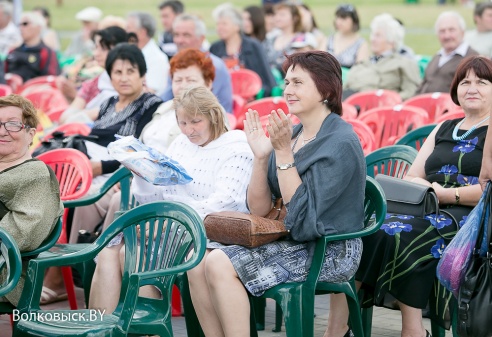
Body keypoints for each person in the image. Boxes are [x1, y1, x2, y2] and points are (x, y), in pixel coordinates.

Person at [189, 50, 365, 337]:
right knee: (198, 261)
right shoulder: (294, 134)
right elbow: (259, 210)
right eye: (286, 82)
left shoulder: (340, 142)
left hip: (330, 249)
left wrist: (282, 153)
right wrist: (261, 157)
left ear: (325, 89)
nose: (288, 90)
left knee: (220, 263)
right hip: (291, 238)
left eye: (297, 82)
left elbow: (305, 218)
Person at [332, 55, 492, 337]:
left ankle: (413, 329)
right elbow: (413, 175)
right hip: (430, 206)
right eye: (465, 82)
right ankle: (339, 328)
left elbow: (489, 188)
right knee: (364, 231)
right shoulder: (444, 129)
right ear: (455, 89)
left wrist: (446, 195)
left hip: (472, 217)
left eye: (482, 82)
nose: (472, 88)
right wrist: (429, 191)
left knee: (403, 232)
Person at [89, 85, 254, 313]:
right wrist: (143, 174)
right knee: (109, 251)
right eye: (182, 123)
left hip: (206, 232)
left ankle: (148, 326)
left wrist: (165, 225)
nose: (188, 130)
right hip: (172, 226)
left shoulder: (236, 147)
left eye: (195, 122)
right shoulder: (180, 143)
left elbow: (226, 203)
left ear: (214, 116)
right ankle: (100, 328)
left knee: (133, 255)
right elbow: (160, 194)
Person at [40, 43, 163, 305]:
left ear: (142, 74)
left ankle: (71, 277)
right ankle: (60, 273)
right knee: (65, 198)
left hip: (122, 175)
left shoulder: (151, 104)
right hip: (91, 172)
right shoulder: (108, 103)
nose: (124, 77)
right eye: (117, 72)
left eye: (130, 71)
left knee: (88, 198)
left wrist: (101, 167)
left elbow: (141, 149)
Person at [0, 94, 63, 306]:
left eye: (13, 125)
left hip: (7, 275)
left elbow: (27, 233)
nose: (2, 131)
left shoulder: (35, 175)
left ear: (30, 134)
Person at [160, 14, 233, 113]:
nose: (179, 40)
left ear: (201, 39)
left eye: (186, 35)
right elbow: (166, 97)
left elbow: (203, 107)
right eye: (176, 35)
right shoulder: (177, 62)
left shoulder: (214, 65)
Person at [58, 26, 131, 124]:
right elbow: (65, 117)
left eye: (104, 49)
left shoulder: (132, 83)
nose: (96, 53)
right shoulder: (94, 83)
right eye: (96, 47)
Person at [343, 13, 421, 100]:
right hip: (350, 102)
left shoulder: (404, 63)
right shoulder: (363, 64)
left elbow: (411, 92)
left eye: (378, 36)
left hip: (379, 106)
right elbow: (344, 88)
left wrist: (388, 100)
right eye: (372, 35)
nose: (372, 39)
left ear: (391, 42)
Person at [210, 3, 276, 96]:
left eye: (224, 24)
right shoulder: (215, 48)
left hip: (251, 96)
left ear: (237, 26)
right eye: (218, 24)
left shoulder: (253, 46)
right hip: (223, 97)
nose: (219, 28)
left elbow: (267, 79)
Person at [417, 11, 478, 95]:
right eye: (442, 31)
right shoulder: (437, 57)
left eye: (451, 30)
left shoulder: (473, 59)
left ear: (462, 32)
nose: (447, 36)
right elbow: (422, 85)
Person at [5, 11, 60, 82]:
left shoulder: (46, 53)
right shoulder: (13, 51)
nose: (21, 28)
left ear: (38, 27)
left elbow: (51, 80)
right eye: (19, 25)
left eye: (25, 24)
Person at [126, 11, 169, 96]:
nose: (125, 32)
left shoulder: (157, 59)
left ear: (142, 33)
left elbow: (149, 92)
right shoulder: (133, 53)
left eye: (128, 28)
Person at [263, 3, 304, 74]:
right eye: (276, 14)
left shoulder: (302, 40)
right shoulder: (270, 38)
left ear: (295, 18)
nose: (277, 18)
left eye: (282, 15)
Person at [326, 4, 369, 69]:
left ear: (354, 21)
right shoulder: (329, 40)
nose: (339, 22)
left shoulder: (361, 44)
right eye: (338, 17)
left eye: (344, 18)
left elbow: (360, 71)